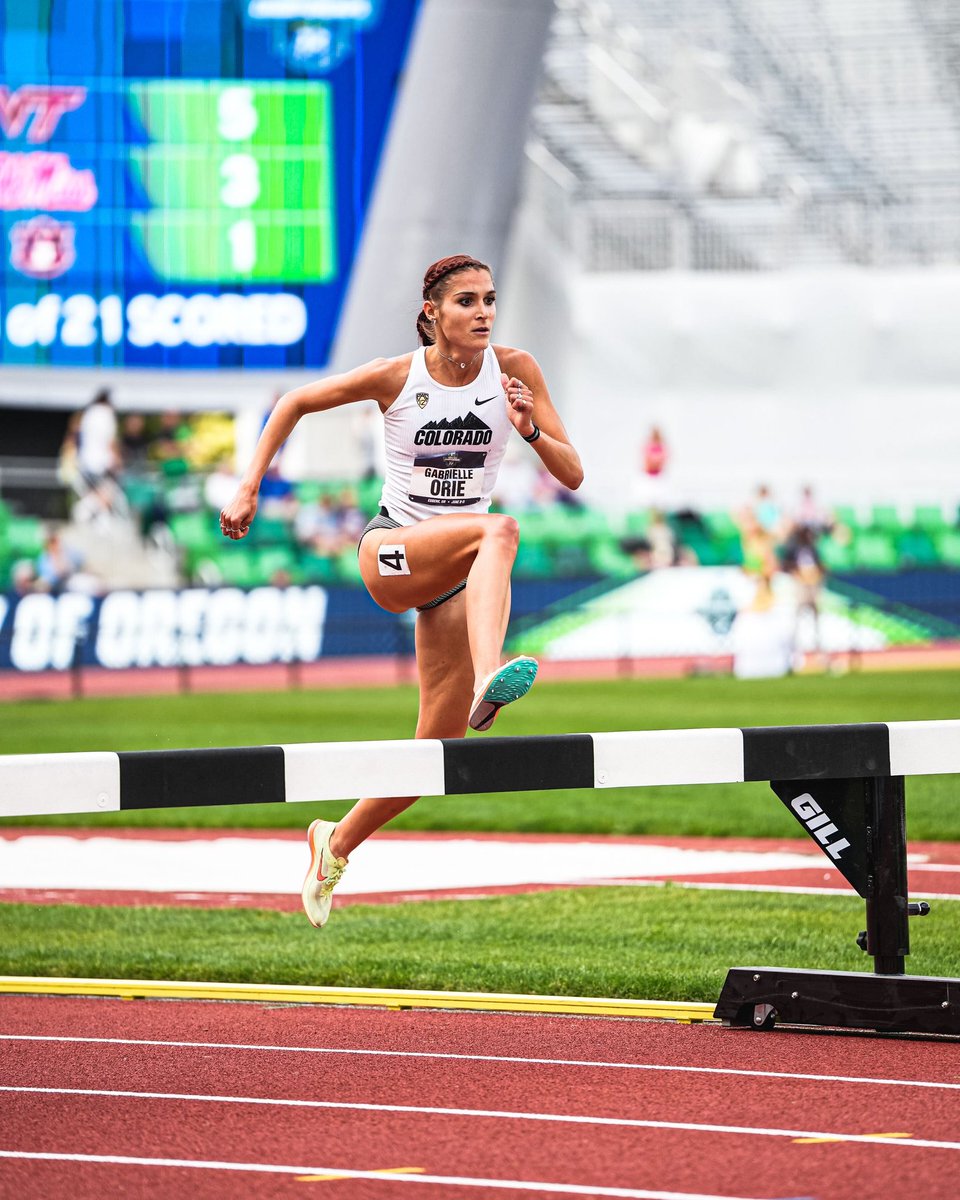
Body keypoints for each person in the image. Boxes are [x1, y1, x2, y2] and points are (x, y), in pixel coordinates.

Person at [219, 254, 583, 928]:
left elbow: (573, 474)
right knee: (500, 530)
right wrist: (248, 485)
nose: (483, 313)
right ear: (432, 315)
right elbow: (294, 401)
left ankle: (334, 845)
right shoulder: (398, 376)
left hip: (450, 577)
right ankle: (489, 674)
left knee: (431, 756)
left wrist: (529, 428)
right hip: (390, 552)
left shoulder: (517, 371)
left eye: (490, 300)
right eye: (467, 302)